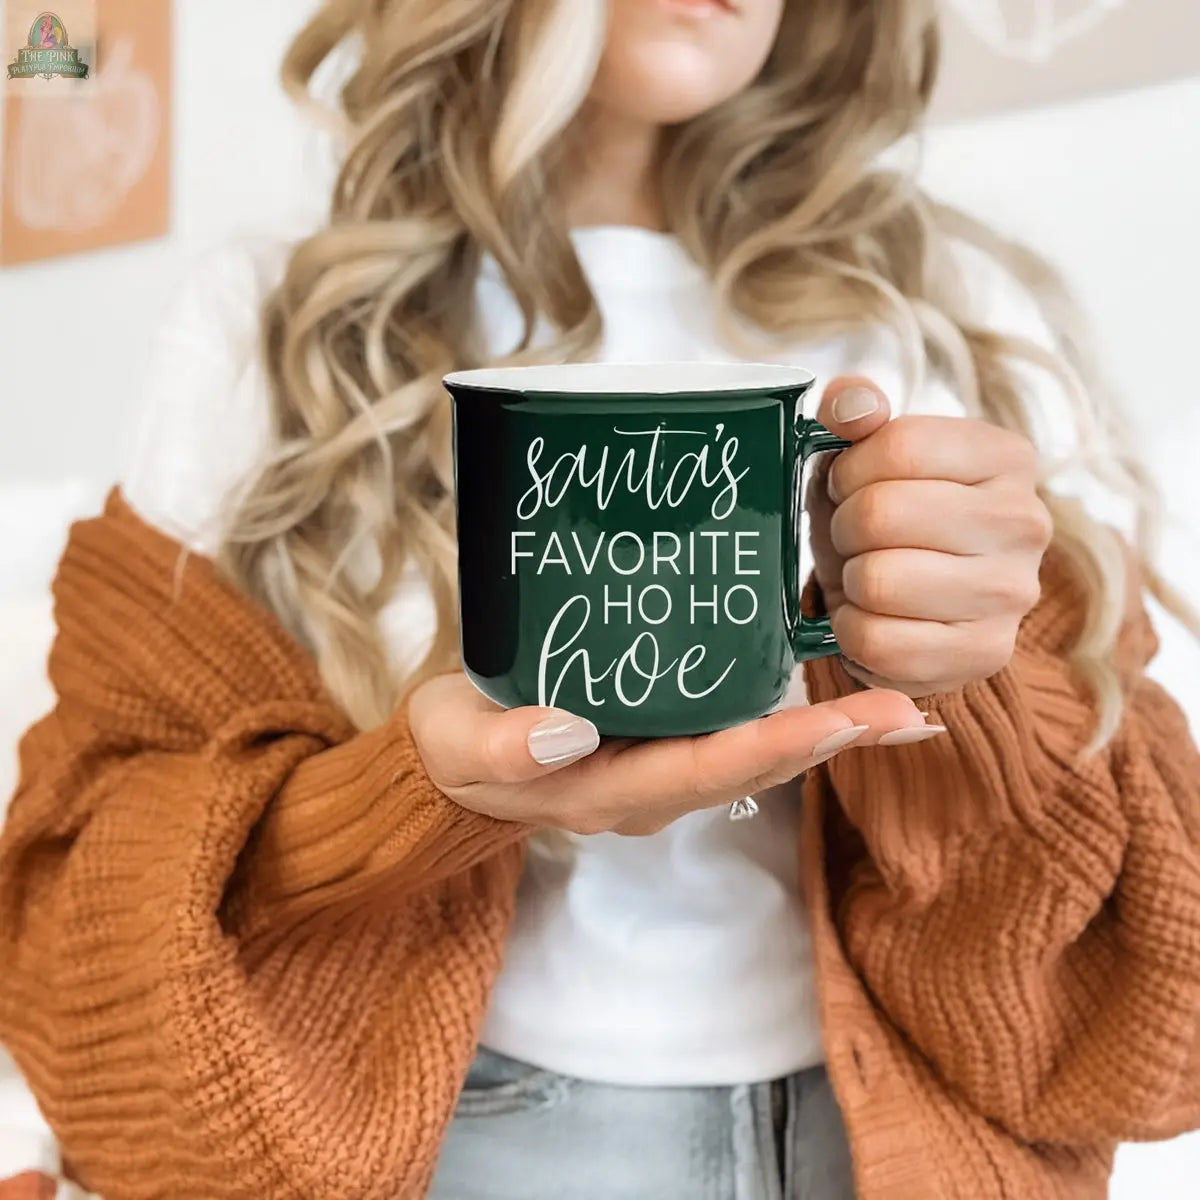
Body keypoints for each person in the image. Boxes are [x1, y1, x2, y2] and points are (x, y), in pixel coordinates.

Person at [1, 1, 1198, 1197]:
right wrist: (409, 798)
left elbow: (1152, 1003)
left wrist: (973, 691)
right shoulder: (279, 326)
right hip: (462, 1141)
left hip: (900, 1152)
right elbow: (71, 931)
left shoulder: (954, 314)